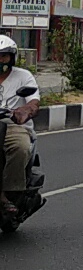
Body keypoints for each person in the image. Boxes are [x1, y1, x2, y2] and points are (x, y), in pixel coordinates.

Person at [0, 35, 38, 218]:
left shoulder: (23, 76)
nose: (0, 60)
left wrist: (24, 110)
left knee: (20, 147)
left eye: (4, 56)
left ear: (11, 57)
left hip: (12, 124)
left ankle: (9, 194)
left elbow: (34, 102)